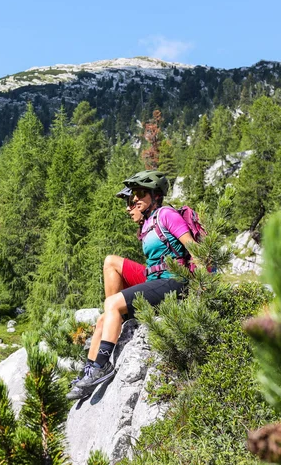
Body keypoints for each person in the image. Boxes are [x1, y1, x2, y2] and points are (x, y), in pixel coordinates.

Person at [67, 170, 195, 400]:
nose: (132, 202)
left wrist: (204, 286)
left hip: (175, 282)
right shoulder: (149, 223)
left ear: (155, 196)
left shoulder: (166, 214)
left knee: (113, 305)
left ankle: (102, 365)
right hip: (156, 281)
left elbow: (195, 249)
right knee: (105, 312)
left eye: (138, 195)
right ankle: (89, 371)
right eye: (132, 197)